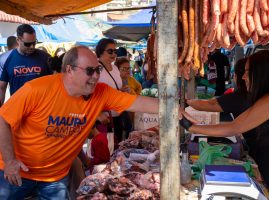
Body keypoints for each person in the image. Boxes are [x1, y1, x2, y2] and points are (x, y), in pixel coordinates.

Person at [0, 45, 158, 199]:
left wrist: (173, 107)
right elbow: (2, 119)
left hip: (54, 178)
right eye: (90, 71)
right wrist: (9, 161)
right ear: (70, 69)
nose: (96, 76)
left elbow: (136, 102)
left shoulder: (101, 92)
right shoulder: (36, 89)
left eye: (98, 70)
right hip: (16, 171)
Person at [181, 50, 269, 200]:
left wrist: (190, 126)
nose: (243, 77)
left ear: (261, 74)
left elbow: (234, 127)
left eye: (247, 72)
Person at [0, 24, 52, 106]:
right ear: (18, 40)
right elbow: (2, 87)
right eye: (27, 44)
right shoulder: (7, 59)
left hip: (41, 109)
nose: (32, 46)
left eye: (34, 43)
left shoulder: (45, 57)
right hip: (17, 108)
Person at [96, 38, 124, 144]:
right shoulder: (96, 69)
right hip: (104, 118)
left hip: (117, 115)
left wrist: (121, 91)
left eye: (115, 51)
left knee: (117, 148)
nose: (113, 54)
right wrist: (98, 114)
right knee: (105, 150)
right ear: (100, 51)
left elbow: (113, 89)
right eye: (110, 51)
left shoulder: (115, 68)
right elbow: (88, 93)